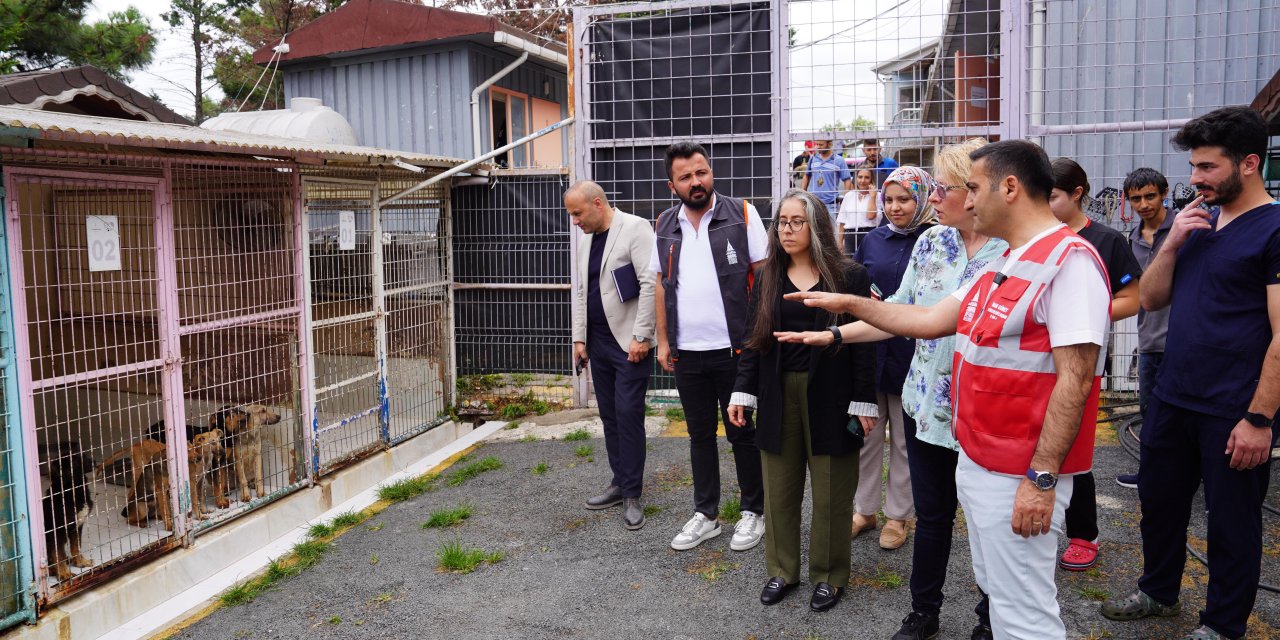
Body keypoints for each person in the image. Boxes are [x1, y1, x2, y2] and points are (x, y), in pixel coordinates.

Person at [788, 139, 1111, 640]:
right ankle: (933, 613)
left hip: (1018, 468)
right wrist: (844, 313)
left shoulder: (1068, 263)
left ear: (1008, 188)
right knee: (1000, 590)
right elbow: (929, 318)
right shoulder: (1009, 262)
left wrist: (1042, 480)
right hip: (980, 456)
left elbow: (1077, 379)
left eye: (969, 189)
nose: (953, 199)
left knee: (1025, 613)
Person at [777, 138, 1005, 640]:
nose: (936, 196)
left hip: (986, 411)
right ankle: (924, 611)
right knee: (934, 515)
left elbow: (931, 320)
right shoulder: (932, 243)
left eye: (944, 187)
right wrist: (836, 331)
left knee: (990, 526)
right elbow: (899, 312)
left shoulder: (1013, 252)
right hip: (928, 406)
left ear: (976, 192)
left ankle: (993, 619)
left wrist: (845, 314)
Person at [1102, 106, 1280, 640]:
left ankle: (1223, 626)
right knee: (1159, 504)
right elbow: (1151, 299)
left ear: (1249, 164)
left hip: (1233, 407)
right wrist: (1174, 239)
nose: (1195, 179)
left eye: (1206, 167)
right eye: (1194, 167)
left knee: (1231, 524)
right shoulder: (1197, 222)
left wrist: (1260, 417)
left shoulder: (1273, 230)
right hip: (1175, 396)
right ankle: (1158, 592)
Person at [726, 189, 877, 612]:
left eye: (797, 221)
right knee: (779, 487)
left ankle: (829, 575)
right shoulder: (770, 274)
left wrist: (864, 400)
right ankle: (782, 570)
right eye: (781, 222)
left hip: (833, 394)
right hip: (778, 392)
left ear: (817, 226)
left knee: (832, 489)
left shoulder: (849, 276)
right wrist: (744, 390)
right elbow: (754, 338)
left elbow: (865, 343)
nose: (786, 230)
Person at [652, 142, 769, 552]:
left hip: (735, 350)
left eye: (701, 172)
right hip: (688, 351)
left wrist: (758, 341)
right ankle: (707, 514)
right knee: (699, 435)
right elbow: (660, 287)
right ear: (673, 185)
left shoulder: (743, 214)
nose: (696, 181)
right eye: (685, 177)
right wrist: (663, 340)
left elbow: (764, 279)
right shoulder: (664, 224)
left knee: (742, 432)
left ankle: (753, 512)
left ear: (710, 172)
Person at [1046, 158, 1143, 573]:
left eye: (1051, 196)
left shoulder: (1105, 241)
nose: (1044, 205)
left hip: (1082, 363)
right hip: (1032, 365)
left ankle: (1084, 534)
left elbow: (1134, 297)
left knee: (1075, 452)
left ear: (1077, 193)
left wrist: (1082, 314)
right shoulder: (1031, 239)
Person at [849, 166, 936, 551]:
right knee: (866, 434)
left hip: (910, 353)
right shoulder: (873, 239)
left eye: (905, 199)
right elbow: (855, 280)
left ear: (922, 199)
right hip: (870, 352)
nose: (895, 207)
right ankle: (864, 510)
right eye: (888, 200)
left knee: (903, 440)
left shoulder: (934, 240)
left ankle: (898, 515)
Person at [567, 181, 657, 530]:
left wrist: (641, 336)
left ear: (598, 203)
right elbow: (581, 289)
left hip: (629, 342)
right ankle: (620, 482)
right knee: (609, 416)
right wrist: (579, 338)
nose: (575, 221)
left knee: (628, 413)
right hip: (598, 343)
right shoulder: (586, 239)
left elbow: (650, 283)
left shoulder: (635, 228)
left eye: (578, 213)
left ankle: (633, 492)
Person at [1115, 167, 1174, 489]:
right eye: (1136, 198)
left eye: (1150, 196)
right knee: (1150, 413)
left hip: (1185, 339)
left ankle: (1203, 480)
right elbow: (1129, 278)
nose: (1144, 204)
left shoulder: (1185, 229)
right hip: (1150, 340)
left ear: (1163, 193)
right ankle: (1150, 475)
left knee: (1191, 417)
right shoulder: (1133, 239)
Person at [802, 139, 852, 223]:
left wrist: (846, 200)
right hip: (813, 204)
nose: (818, 147)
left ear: (830, 144)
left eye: (821, 145)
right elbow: (806, 176)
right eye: (817, 144)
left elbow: (847, 180)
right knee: (814, 234)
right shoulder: (813, 158)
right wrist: (802, 195)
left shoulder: (839, 160)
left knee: (831, 233)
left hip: (831, 205)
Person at [836, 168, 881, 256]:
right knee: (850, 266)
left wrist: (872, 197)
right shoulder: (849, 196)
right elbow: (842, 220)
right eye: (860, 177)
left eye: (867, 177)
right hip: (850, 236)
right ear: (856, 179)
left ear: (871, 180)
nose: (862, 180)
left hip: (869, 235)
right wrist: (840, 242)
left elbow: (870, 216)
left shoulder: (877, 196)